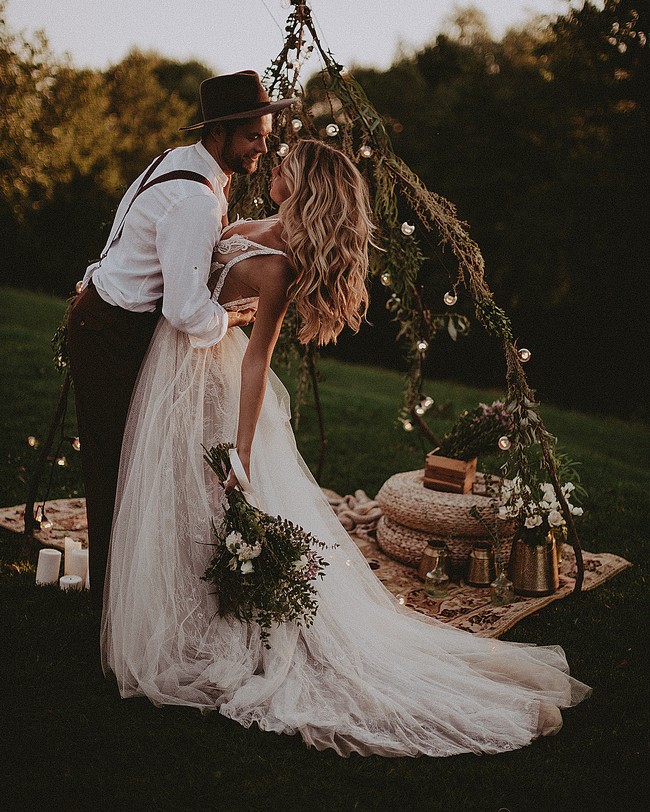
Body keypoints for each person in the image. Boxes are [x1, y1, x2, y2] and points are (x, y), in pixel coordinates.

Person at [101, 139, 591, 758]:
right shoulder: (258, 220)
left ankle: (216, 621)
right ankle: (179, 608)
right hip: (179, 361)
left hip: (212, 380)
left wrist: (243, 449)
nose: (276, 168)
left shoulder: (280, 267)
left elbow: (257, 363)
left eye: (288, 168)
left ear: (307, 188)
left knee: (210, 498)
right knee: (174, 498)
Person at [67, 71, 295, 608]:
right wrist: (238, 318)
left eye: (266, 135)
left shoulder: (184, 163)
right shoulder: (196, 199)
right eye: (253, 137)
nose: (264, 147)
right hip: (111, 332)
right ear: (220, 133)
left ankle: (127, 589)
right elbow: (185, 308)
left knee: (128, 462)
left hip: (108, 312)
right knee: (115, 466)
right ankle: (112, 602)